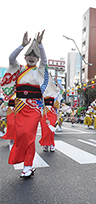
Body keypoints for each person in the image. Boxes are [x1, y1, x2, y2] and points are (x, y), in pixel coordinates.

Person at [1, 30, 51, 178]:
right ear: (25, 57)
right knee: (21, 135)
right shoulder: (19, 69)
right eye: (29, 55)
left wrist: (40, 46)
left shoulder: (40, 70)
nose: (32, 58)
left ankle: (27, 166)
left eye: (35, 56)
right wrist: (22, 45)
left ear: (37, 59)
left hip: (34, 108)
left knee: (28, 134)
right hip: (20, 107)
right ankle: (26, 164)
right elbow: (11, 59)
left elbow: (45, 61)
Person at [39, 75, 62, 152]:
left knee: (50, 129)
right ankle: (45, 144)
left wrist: (57, 82)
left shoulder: (56, 93)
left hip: (52, 112)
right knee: (44, 129)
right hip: (44, 113)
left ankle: (52, 144)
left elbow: (62, 90)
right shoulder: (43, 92)